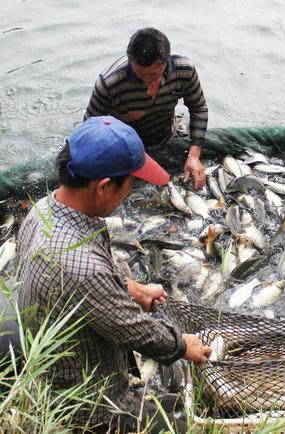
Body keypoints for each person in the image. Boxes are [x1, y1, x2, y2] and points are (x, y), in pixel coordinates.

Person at [16, 116, 212, 432]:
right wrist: (182, 345)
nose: (129, 195)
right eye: (130, 186)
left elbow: (94, 273)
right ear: (105, 186)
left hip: (48, 354)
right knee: (179, 425)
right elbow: (136, 332)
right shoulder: (81, 269)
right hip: (84, 400)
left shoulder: (44, 209)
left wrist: (133, 288)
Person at [84, 27, 209, 190]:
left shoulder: (183, 69)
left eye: (154, 75)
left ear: (167, 58)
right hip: (127, 146)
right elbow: (90, 127)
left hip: (168, 131)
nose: (148, 82)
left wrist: (194, 155)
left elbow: (198, 108)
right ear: (131, 60)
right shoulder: (110, 83)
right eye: (140, 75)